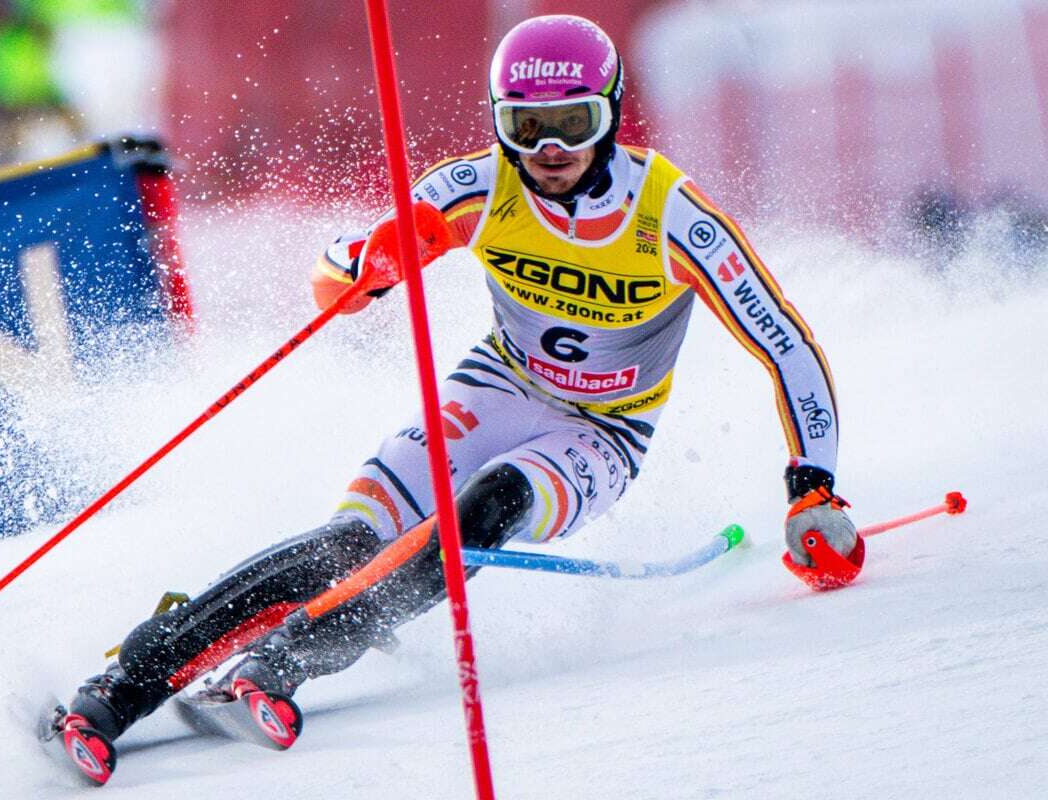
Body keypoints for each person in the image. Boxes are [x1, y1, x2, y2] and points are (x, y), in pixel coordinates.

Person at [56, 13, 859, 773]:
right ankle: (125, 686)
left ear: (610, 116)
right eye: (523, 126)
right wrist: (362, 268)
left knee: (486, 505)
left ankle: (283, 661)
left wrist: (812, 488)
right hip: (499, 385)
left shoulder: (670, 215)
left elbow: (786, 342)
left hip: (600, 432)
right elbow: (338, 265)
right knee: (350, 546)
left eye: (572, 125)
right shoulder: (480, 186)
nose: (546, 150)